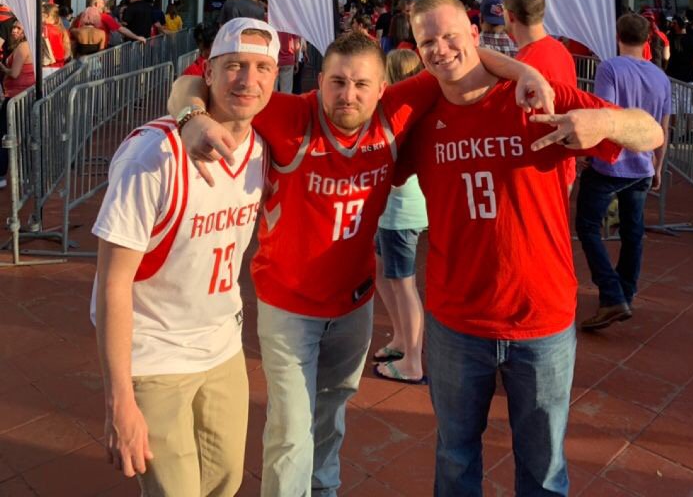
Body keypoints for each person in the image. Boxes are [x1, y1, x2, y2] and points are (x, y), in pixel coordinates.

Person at [169, 33, 553, 497]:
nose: (347, 95)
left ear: (383, 88)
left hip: (353, 304)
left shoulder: (397, 111)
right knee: (291, 429)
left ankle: (324, 490)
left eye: (360, 84)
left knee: (330, 416)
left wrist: (525, 71)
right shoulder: (289, 114)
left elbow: (460, 60)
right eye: (337, 82)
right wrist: (191, 119)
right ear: (320, 81)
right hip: (288, 305)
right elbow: (193, 82)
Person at [402, 0, 664, 497]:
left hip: (539, 317)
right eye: (426, 41)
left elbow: (649, 131)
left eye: (451, 36)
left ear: (476, 36)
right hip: (457, 319)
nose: (440, 50)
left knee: (543, 468)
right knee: (455, 458)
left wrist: (603, 123)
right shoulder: (420, 112)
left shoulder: (536, 95)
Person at [92, 18, 277, 495]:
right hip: (155, 353)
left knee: (226, 481)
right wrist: (119, 402)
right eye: (233, 65)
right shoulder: (152, 155)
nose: (247, 80)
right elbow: (112, 282)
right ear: (209, 72)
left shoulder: (262, 147)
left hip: (222, 346)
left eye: (262, 68)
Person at [575, 13, 671, 330]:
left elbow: (606, 115)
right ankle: (623, 292)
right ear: (647, 41)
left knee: (587, 226)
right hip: (642, 164)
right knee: (633, 232)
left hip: (611, 164)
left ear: (618, 36)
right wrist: (658, 164)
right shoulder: (660, 77)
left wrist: (589, 152)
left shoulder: (610, 68)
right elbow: (663, 127)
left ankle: (612, 292)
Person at [372, 49, 428, 384]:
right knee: (383, 275)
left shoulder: (402, 115)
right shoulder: (409, 112)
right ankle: (401, 338)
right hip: (393, 211)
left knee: (403, 284)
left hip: (400, 212)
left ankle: (413, 360)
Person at [503, 0, 577, 192]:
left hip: (538, 174)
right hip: (561, 167)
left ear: (510, 16)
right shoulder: (561, 50)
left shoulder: (523, 67)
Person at [0, 22, 36, 187]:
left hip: (17, 97)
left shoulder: (23, 47)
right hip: (20, 95)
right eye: (14, 27)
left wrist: (2, 67)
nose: (14, 30)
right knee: (22, 134)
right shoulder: (24, 46)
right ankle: (26, 174)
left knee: (6, 134)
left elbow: (14, 73)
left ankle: (3, 174)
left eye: (18, 28)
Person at [73, 0, 146, 50]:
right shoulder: (103, 16)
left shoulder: (79, 17)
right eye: (102, 3)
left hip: (80, 56)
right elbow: (121, 29)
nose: (103, 5)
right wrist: (137, 37)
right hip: (97, 54)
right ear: (96, 4)